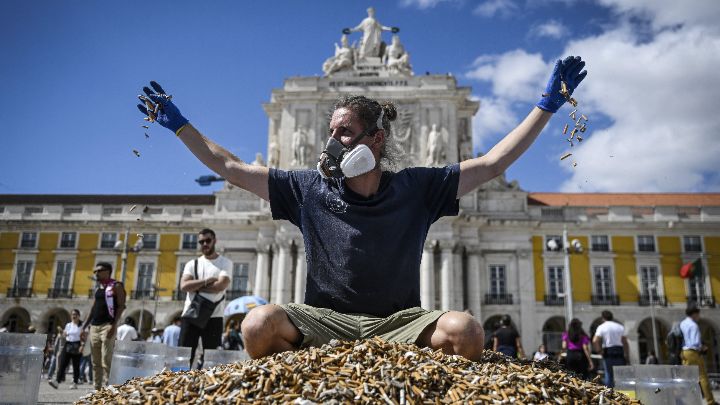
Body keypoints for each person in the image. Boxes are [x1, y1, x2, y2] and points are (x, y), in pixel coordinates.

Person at [136, 55, 587, 361]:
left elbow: (492, 163)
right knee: (257, 324)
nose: (333, 143)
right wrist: (179, 123)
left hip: (399, 323)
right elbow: (229, 166)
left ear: (377, 138)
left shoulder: (416, 188)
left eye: (345, 133)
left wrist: (546, 106)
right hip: (324, 320)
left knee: (466, 331)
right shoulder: (307, 188)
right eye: (331, 132)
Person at [178, 228, 232, 367]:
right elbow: (184, 286)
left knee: (212, 359)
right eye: (201, 241)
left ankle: (208, 387)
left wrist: (195, 285)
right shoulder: (192, 264)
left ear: (215, 241)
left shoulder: (225, 263)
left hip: (215, 316)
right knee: (184, 356)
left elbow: (220, 286)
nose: (204, 244)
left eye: (208, 240)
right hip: (191, 314)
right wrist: (207, 281)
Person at [82, 261, 126, 391]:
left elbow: (121, 306)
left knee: (106, 359)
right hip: (94, 327)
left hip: (108, 325)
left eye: (99, 270)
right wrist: (84, 327)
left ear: (107, 271)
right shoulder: (99, 288)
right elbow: (93, 308)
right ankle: (97, 389)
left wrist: (114, 325)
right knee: (95, 361)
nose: (96, 273)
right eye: (95, 271)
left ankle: (111, 387)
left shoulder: (116, 286)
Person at [680, 306, 717, 405]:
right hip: (693, 352)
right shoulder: (693, 325)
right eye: (698, 314)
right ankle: (710, 401)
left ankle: (680, 399)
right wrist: (703, 348)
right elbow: (695, 342)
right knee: (702, 377)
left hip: (683, 352)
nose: (699, 317)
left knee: (686, 377)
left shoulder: (682, 323)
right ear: (695, 314)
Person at [592, 310, 629, 388]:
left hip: (608, 351)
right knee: (620, 374)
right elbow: (625, 342)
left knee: (609, 374)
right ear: (612, 317)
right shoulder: (620, 326)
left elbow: (595, 340)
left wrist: (599, 351)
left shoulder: (602, 327)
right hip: (619, 350)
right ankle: (622, 392)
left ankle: (610, 395)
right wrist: (626, 354)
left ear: (603, 318)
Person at [49, 309, 84, 390]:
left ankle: (75, 382)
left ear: (79, 316)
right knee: (63, 363)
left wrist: (82, 345)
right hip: (68, 344)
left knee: (76, 365)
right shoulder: (68, 325)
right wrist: (62, 332)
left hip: (77, 345)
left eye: (75, 314)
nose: (74, 316)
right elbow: (65, 335)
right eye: (72, 314)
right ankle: (57, 381)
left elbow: (83, 336)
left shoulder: (81, 325)